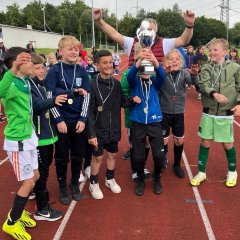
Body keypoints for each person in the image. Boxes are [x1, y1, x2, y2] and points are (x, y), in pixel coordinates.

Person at [87, 50, 141, 200]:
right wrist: (91, 134)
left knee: (112, 154)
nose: (108, 65)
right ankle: (93, 182)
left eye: (110, 62)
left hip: (114, 128)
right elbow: (89, 112)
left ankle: (109, 179)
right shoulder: (91, 85)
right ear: (97, 65)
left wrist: (133, 99)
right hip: (98, 129)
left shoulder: (116, 84)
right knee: (97, 158)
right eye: (104, 62)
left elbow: (123, 102)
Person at [44, 35, 90, 205]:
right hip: (62, 122)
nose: (73, 51)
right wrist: (59, 120)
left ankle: (74, 184)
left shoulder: (82, 70)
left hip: (78, 122)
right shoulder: (54, 71)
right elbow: (49, 97)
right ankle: (63, 185)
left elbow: (87, 96)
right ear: (60, 51)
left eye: (76, 49)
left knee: (78, 155)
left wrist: (83, 119)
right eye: (69, 49)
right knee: (62, 156)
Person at [190, 38, 240, 188]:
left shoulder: (235, 68)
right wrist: (213, 94)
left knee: (227, 144)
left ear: (225, 52)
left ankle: (232, 172)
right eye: (210, 50)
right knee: (205, 141)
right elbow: (203, 84)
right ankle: (201, 172)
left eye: (215, 50)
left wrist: (239, 104)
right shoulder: (205, 67)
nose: (211, 52)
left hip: (225, 113)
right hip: (209, 112)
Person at [0, 47, 38, 240]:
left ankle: (19, 210)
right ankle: (11, 223)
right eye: (27, 60)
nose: (31, 63)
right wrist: (12, 70)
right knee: (28, 181)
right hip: (18, 140)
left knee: (35, 175)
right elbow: (1, 90)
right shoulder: (12, 83)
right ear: (16, 64)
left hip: (29, 136)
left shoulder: (24, 81)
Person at [29, 53, 66, 221]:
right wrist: (53, 100)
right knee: (42, 173)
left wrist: (72, 93)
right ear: (28, 69)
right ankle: (42, 209)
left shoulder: (41, 85)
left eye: (42, 67)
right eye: (37, 68)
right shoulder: (28, 87)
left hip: (48, 135)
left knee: (44, 168)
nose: (42, 70)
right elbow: (37, 105)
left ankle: (36, 193)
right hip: (39, 137)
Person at [93, 8, 195, 66]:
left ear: (156, 31)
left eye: (150, 30)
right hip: (136, 90)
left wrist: (189, 25)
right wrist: (99, 20)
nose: (147, 32)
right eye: (144, 29)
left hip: (157, 91)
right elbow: (113, 33)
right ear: (139, 30)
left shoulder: (164, 43)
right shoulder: (131, 42)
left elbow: (184, 40)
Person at [127, 44, 166, 196]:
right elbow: (130, 75)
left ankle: (157, 178)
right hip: (138, 122)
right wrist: (140, 60)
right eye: (143, 66)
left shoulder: (155, 82)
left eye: (148, 67)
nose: (145, 69)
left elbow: (162, 76)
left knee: (158, 155)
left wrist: (154, 62)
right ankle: (141, 180)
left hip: (154, 121)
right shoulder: (134, 82)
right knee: (138, 155)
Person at [160, 49, 199, 178]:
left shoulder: (184, 73)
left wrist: (194, 75)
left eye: (177, 59)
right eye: (171, 58)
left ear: (181, 61)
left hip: (178, 113)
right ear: (166, 61)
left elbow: (193, 83)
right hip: (164, 112)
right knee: (163, 141)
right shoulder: (162, 73)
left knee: (178, 140)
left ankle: (176, 164)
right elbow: (155, 83)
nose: (174, 61)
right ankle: (163, 159)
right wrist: (164, 73)